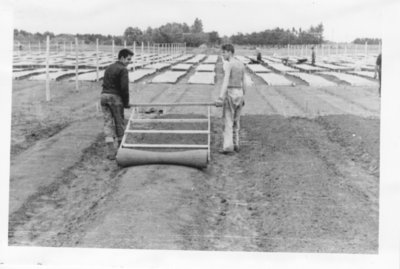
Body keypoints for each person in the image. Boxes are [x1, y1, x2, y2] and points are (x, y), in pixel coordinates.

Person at [101, 48, 133, 160]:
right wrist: (126, 102)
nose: (129, 61)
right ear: (122, 57)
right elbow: (124, 88)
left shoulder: (109, 67)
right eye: (128, 59)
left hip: (104, 97)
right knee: (119, 123)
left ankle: (111, 152)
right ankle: (120, 150)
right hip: (115, 98)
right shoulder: (123, 69)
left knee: (108, 123)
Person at [215, 44, 246, 154]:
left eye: (223, 52)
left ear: (229, 52)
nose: (222, 55)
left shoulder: (229, 64)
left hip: (231, 92)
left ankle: (228, 147)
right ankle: (236, 144)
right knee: (237, 121)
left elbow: (226, 81)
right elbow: (244, 82)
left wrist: (220, 97)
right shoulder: (241, 64)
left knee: (228, 120)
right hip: (240, 93)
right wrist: (243, 96)